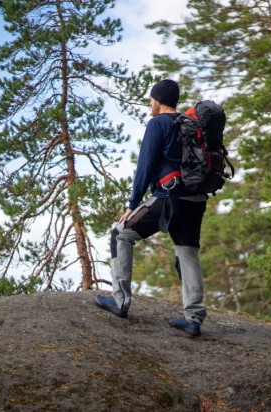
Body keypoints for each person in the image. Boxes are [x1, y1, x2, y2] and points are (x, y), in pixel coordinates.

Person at [94, 79, 208, 337]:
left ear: (157, 101)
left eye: (151, 99)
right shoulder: (190, 124)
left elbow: (144, 165)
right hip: (196, 199)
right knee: (187, 253)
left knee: (121, 233)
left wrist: (133, 204)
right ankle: (193, 318)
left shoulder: (158, 123)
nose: (150, 103)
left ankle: (120, 301)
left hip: (168, 197)